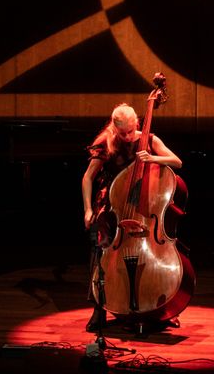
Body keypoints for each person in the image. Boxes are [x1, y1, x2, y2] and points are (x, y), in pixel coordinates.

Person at [82, 102, 183, 333]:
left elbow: (177, 162)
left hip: (142, 206)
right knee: (101, 250)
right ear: (114, 127)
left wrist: (153, 158)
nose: (127, 137)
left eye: (130, 131)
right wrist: (87, 209)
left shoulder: (149, 140)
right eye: (122, 133)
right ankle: (99, 308)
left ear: (136, 123)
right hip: (113, 204)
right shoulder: (106, 142)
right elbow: (87, 178)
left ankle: (164, 308)